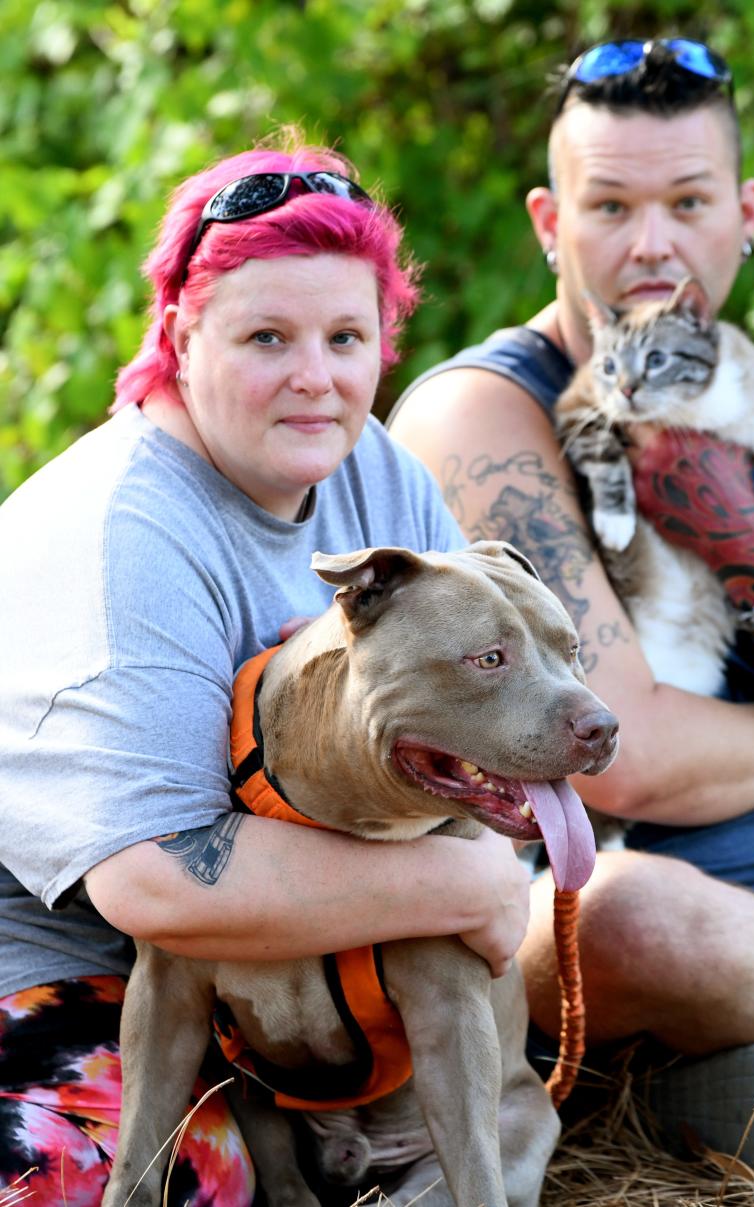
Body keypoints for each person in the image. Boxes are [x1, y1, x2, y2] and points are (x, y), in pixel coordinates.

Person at [389, 37, 754, 1179]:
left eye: (688, 202)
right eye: (611, 205)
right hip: (617, 910)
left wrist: (753, 555)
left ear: (745, 213)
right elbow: (620, 755)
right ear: (551, 221)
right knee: (635, 911)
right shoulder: (481, 416)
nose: (651, 245)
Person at [0, 139, 532, 1205]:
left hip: (288, 972)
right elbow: (154, 883)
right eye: (266, 337)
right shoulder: (123, 529)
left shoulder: (373, 468)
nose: (316, 377)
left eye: (347, 335)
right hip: (68, 967)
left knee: (622, 937)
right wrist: (467, 883)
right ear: (181, 333)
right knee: (171, 1176)